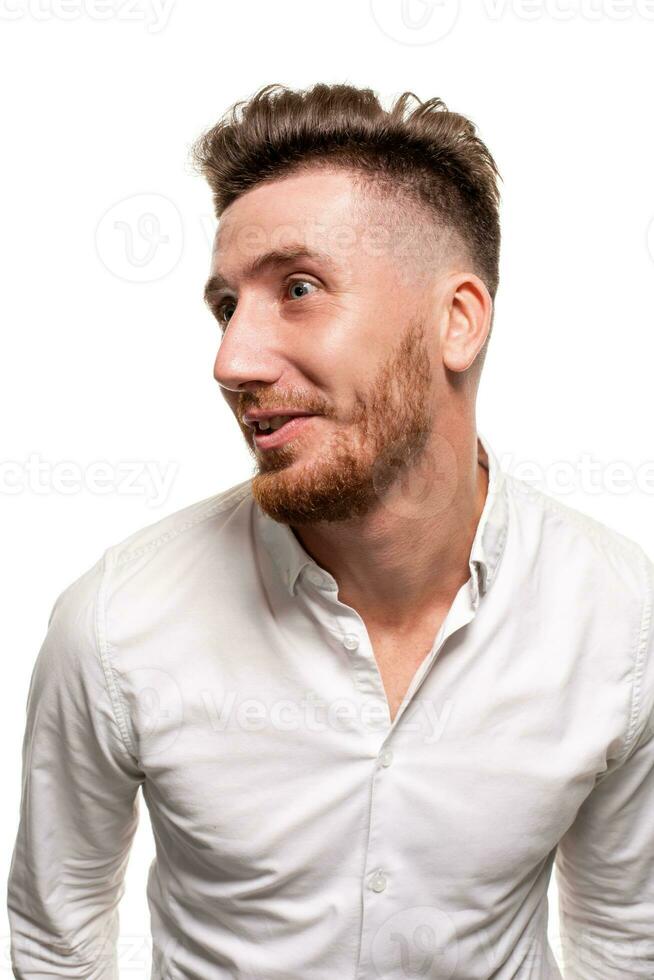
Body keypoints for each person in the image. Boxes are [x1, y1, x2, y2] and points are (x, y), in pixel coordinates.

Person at [7, 82, 653, 980]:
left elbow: (625, 938)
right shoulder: (115, 623)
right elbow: (56, 935)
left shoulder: (620, 622)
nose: (231, 361)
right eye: (226, 305)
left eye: (299, 288)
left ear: (456, 321)